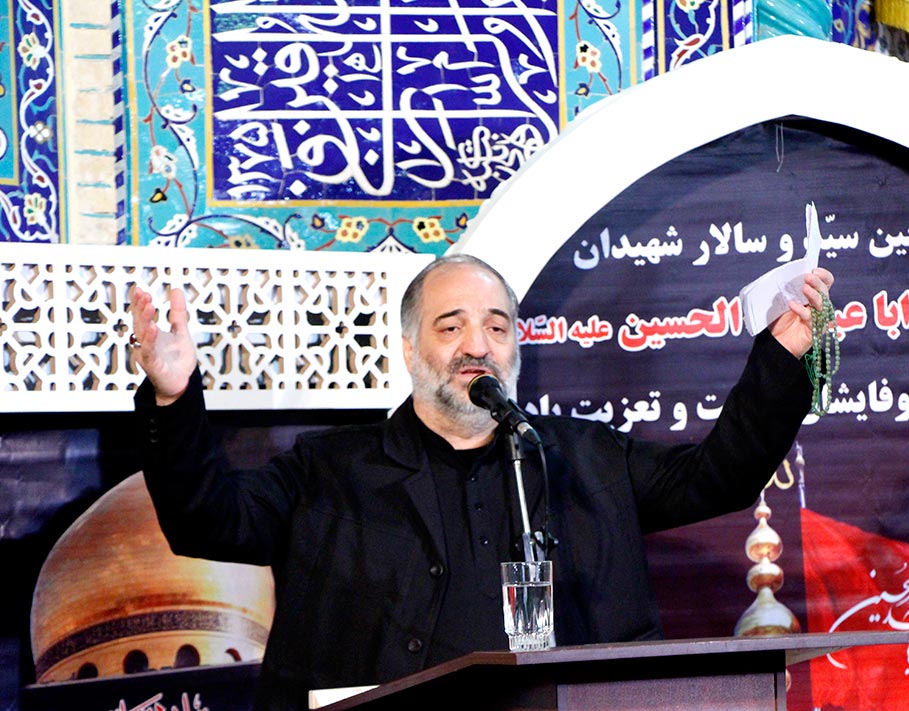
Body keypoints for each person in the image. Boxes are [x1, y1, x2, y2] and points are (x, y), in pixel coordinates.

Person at [129, 254, 834, 710]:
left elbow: (720, 477)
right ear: (410, 350)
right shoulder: (329, 471)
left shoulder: (582, 460)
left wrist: (781, 355)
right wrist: (173, 397)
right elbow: (207, 520)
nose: (478, 345)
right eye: (451, 327)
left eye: (497, 327)